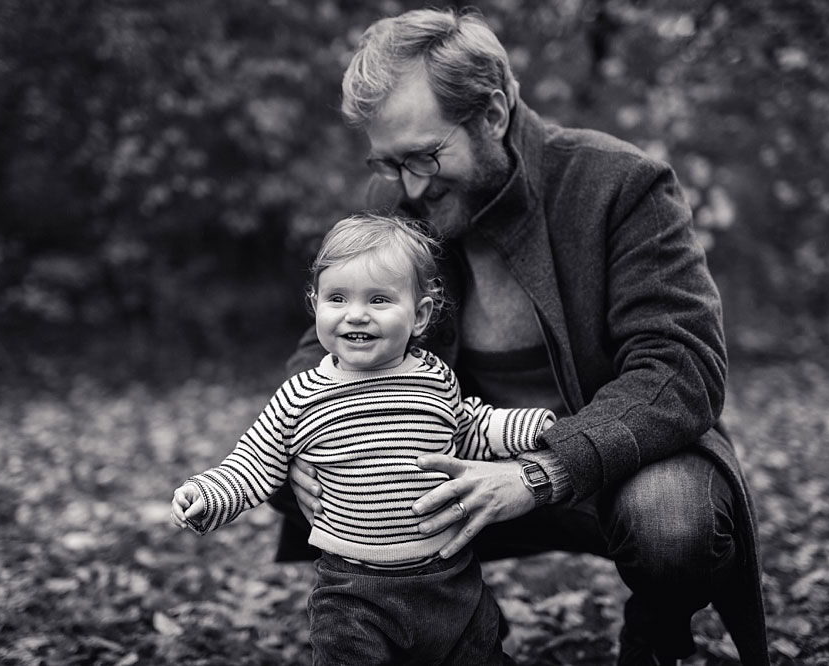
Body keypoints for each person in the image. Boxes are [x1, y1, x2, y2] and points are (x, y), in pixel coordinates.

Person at [274, 8, 771, 666]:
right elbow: (321, 355)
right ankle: (459, 629)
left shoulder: (620, 185)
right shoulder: (396, 199)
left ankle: (654, 635)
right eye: (391, 163)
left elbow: (681, 369)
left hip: (614, 463)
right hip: (456, 467)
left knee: (674, 522)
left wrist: (541, 472)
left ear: (494, 114)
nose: (411, 186)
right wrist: (295, 450)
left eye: (426, 155)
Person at [171, 213, 557, 665]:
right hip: (352, 589)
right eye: (337, 298)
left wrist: (530, 426)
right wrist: (209, 495)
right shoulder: (301, 396)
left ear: (420, 315)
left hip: (449, 578)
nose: (356, 314)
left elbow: (467, 428)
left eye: (379, 300)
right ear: (316, 305)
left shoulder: (434, 378)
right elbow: (256, 460)